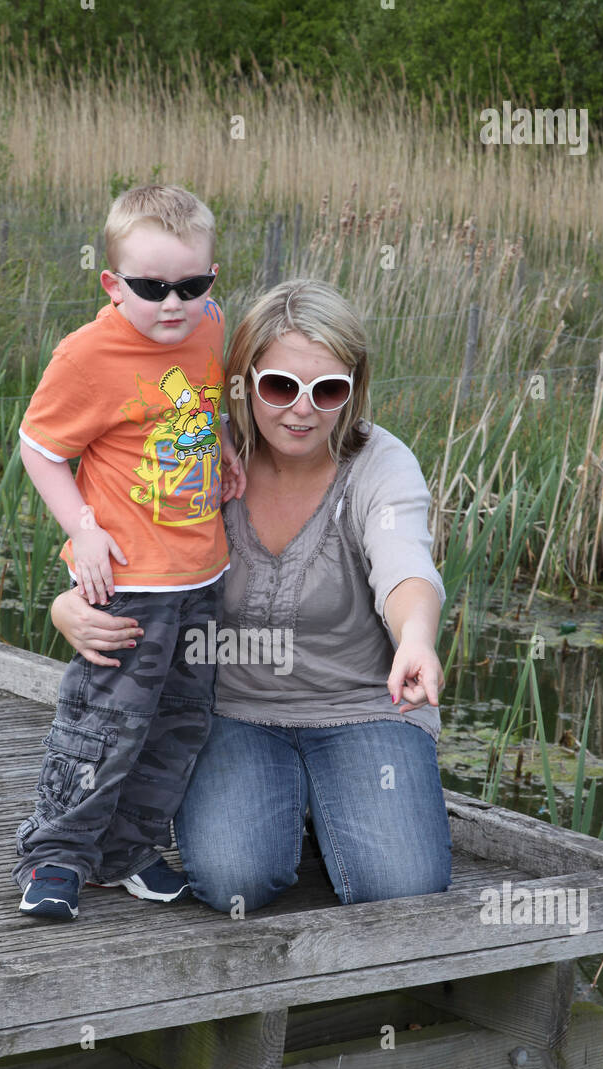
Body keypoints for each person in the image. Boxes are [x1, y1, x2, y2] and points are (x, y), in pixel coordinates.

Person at [49, 280, 452, 914]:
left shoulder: (380, 463)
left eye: (329, 390)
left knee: (402, 889)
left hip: (363, 707)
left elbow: (406, 564)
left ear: (354, 388)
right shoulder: (202, 454)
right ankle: (302, 809)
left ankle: (331, 805)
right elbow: (122, 536)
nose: (302, 410)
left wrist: (417, 639)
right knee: (234, 880)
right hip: (231, 710)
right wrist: (68, 605)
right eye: (279, 386)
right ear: (244, 382)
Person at [11, 184, 245, 920]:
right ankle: (56, 854)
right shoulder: (89, 354)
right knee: (102, 729)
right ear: (114, 283)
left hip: (202, 573)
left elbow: (206, 406)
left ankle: (127, 847)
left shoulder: (210, 328)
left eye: (192, 284)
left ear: (211, 278)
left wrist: (229, 448)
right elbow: (40, 448)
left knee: (179, 723)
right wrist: (82, 527)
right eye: (150, 288)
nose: (172, 303)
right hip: (130, 582)